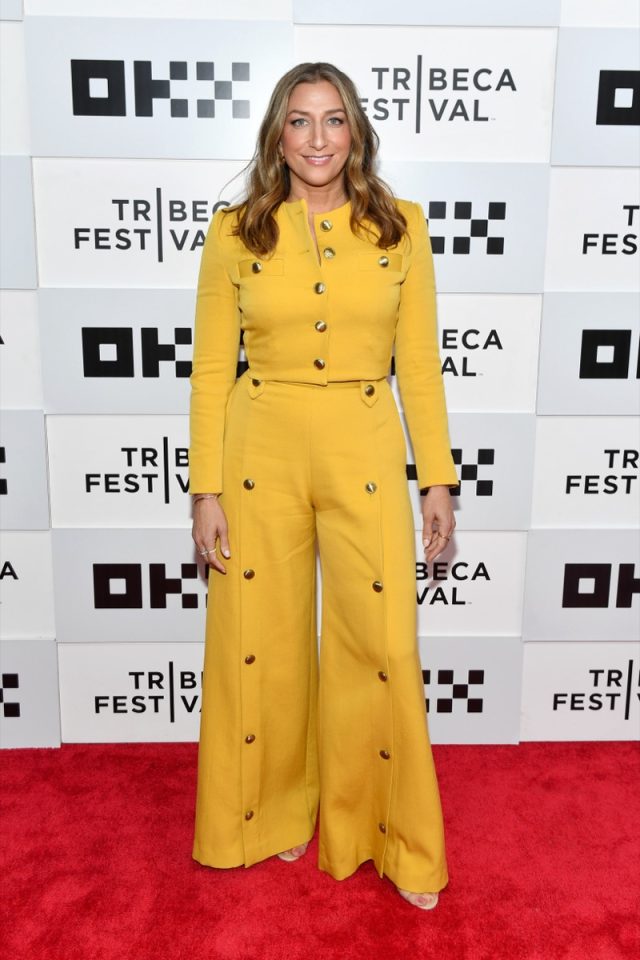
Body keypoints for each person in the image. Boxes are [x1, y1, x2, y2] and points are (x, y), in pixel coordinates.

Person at [188, 62, 458, 911]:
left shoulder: (401, 227)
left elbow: (418, 364)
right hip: (257, 446)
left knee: (379, 646)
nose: (316, 139)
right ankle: (262, 818)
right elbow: (206, 371)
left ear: (356, 133)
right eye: (299, 122)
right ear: (277, 134)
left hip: (367, 446)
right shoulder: (235, 232)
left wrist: (438, 479)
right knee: (253, 642)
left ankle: (389, 838)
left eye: (333, 121)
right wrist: (204, 487)